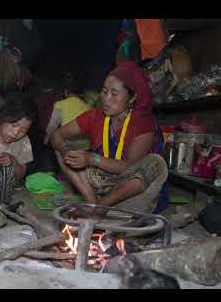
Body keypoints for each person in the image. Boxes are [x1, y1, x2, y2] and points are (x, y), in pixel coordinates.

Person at [50, 61, 168, 215]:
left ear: (132, 98)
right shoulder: (95, 116)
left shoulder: (143, 121)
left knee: (156, 162)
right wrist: (66, 150)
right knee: (62, 150)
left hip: (130, 193)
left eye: (114, 93)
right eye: (104, 92)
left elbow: (130, 167)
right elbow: (56, 135)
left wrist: (92, 159)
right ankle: (93, 204)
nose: (106, 99)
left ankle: (101, 207)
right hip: (102, 185)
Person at [44, 73, 90, 145]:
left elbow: (53, 125)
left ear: (66, 92)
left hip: (68, 142)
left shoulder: (60, 104)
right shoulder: (88, 107)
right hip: (85, 143)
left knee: (56, 143)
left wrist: (46, 138)